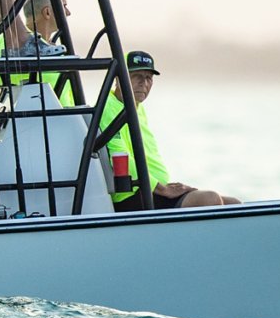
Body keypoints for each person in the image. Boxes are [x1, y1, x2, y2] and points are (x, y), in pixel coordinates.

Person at [93, 50, 236, 209]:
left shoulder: (136, 108)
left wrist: (165, 187)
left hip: (154, 190)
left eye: (149, 78)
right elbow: (119, 156)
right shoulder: (108, 109)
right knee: (210, 199)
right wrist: (163, 189)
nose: (144, 83)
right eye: (137, 76)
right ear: (118, 79)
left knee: (235, 204)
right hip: (133, 195)